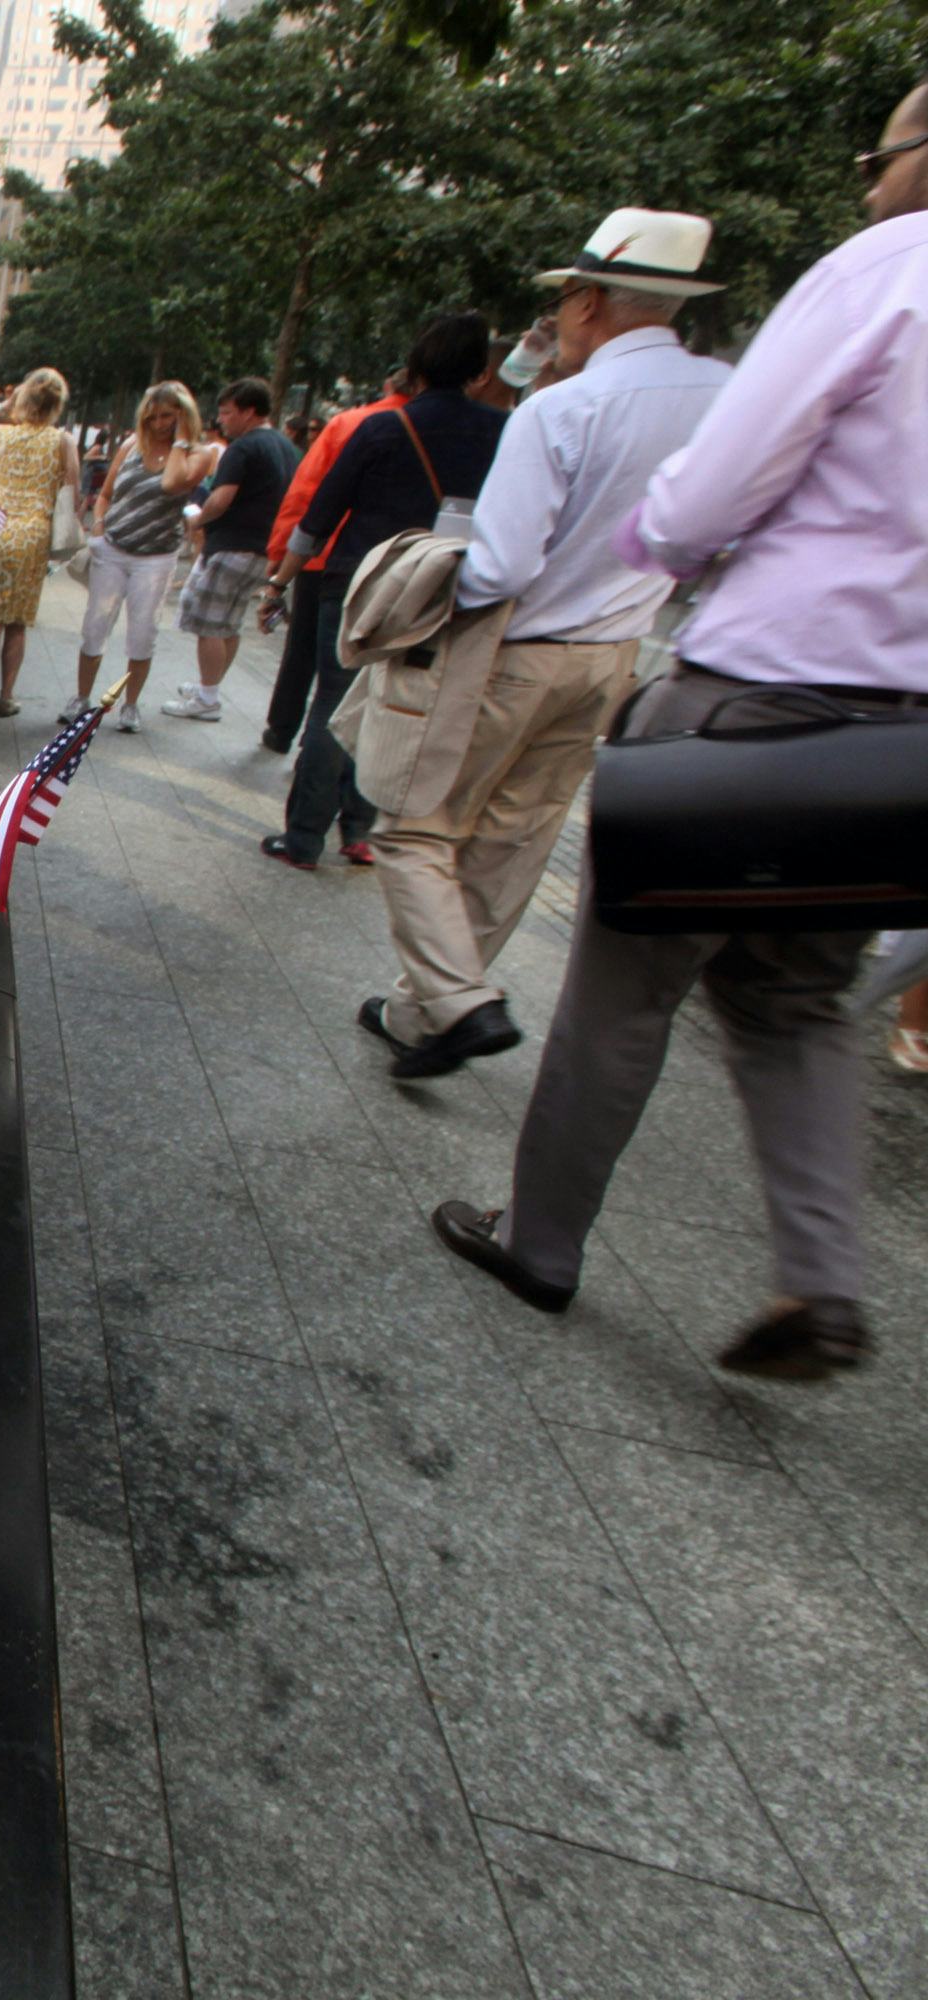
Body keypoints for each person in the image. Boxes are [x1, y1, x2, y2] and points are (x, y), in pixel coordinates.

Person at [434, 80, 928, 1381]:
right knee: (803, 1003)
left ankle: (540, 1239)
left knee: (623, 989)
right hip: (901, 736)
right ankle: (820, 1278)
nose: (871, 178)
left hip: (759, 688)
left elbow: (708, 500)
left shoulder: (881, 271)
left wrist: (666, 543)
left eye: (883, 155)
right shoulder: (724, 356)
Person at [359, 210, 734, 1077]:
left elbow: (499, 567)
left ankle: (456, 1002)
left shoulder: (567, 407)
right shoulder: (730, 395)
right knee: (514, 836)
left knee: (414, 824)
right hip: (616, 653)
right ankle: (427, 1011)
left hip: (516, 649)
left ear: (589, 302)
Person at [262, 315, 504, 868]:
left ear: (414, 367)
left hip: (363, 581)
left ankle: (303, 838)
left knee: (333, 699)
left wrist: (279, 581)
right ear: (480, 370)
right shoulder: (503, 430)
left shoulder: (382, 427)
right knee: (399, 704)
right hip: (443, 585)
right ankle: (362, 830)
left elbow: (319, 517)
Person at [260, 373, 411, 752]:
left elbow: (305, 493)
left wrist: (280, 559)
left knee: (303, 654)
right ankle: (335, 754)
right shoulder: (446, 430)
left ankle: (282, 730)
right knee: (354, 671)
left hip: (322, 558)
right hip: (397, 569)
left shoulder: (351, 422)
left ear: (389, 386)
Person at [165, 379, 300, 720]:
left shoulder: (243, 448)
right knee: (230, 622)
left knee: (210, 623)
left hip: (232, 546)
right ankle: (209, 687)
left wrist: (198, 519)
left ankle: (207, 698)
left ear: (248, 411)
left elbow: (221, 499)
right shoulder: (285, 447)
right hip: (263, 549)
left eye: (227, 412)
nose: (221, 419)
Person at [71, 381, 201, 728]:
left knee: (143, 632)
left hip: (156, 556)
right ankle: (80, 697)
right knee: (95, 625)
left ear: (183, 416)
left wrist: (181, 440)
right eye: (153, 416)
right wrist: (98, 525)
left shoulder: (196, 454)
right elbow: (106, 493)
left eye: (169, 416)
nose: (160, 424)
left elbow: (173, 484)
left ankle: (130, 705)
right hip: (113, 547)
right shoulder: (131, 445)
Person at [0, 369, 83, 718]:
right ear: (57, 404)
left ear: (25, 399)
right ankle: (7, 696)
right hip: (33, 532)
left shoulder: (5, 434)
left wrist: (3, 405)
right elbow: (72, 493)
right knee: (17, 621)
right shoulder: (63, 442)